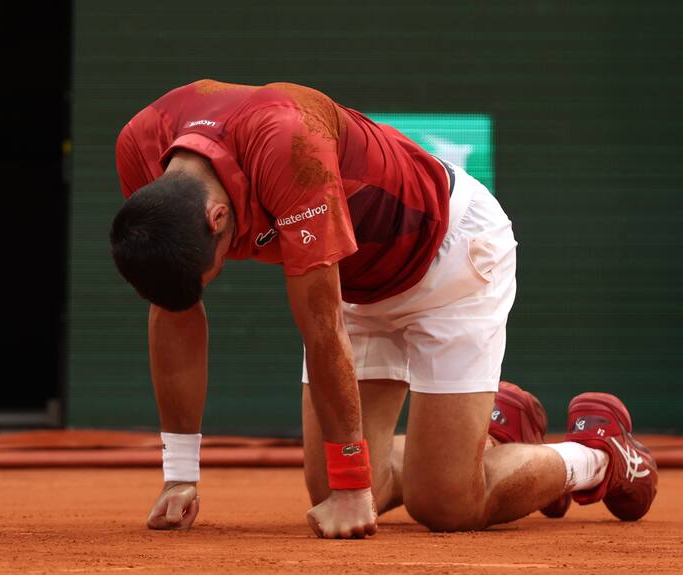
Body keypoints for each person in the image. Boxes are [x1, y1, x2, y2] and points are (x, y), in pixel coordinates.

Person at [109, 79, 657, 538]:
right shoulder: (142, 146)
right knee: (331, 485)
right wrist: (181, 475)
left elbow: (322, 329)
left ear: (215, 218)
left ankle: (599, 456)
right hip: (353, 281)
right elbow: (173, 311)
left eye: (216, 266)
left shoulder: (288, 142)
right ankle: (492, 432)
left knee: (446, 506)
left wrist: (354, 488)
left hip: (449, 260)